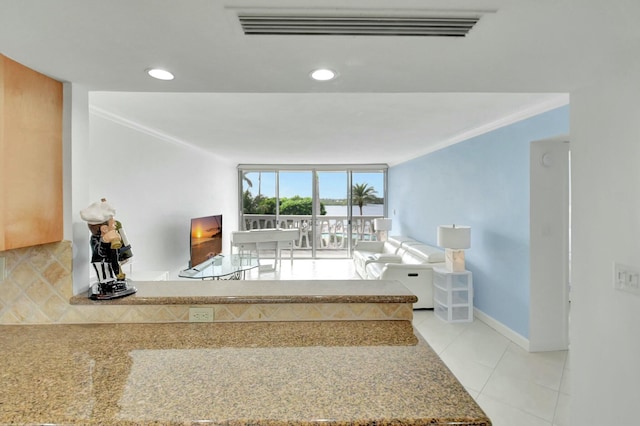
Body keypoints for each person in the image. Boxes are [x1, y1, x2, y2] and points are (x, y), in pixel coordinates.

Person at [80, 198, 135, 298]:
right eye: (113, 225)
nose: (115, 226)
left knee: (111, 273)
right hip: (102, 262)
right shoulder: (96, 239)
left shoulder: (111, 236)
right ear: (104, 229)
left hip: (110, 261)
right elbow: (100, 252)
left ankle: (114, 281)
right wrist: (105, 241)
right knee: (105, 275)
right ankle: (106, 285)